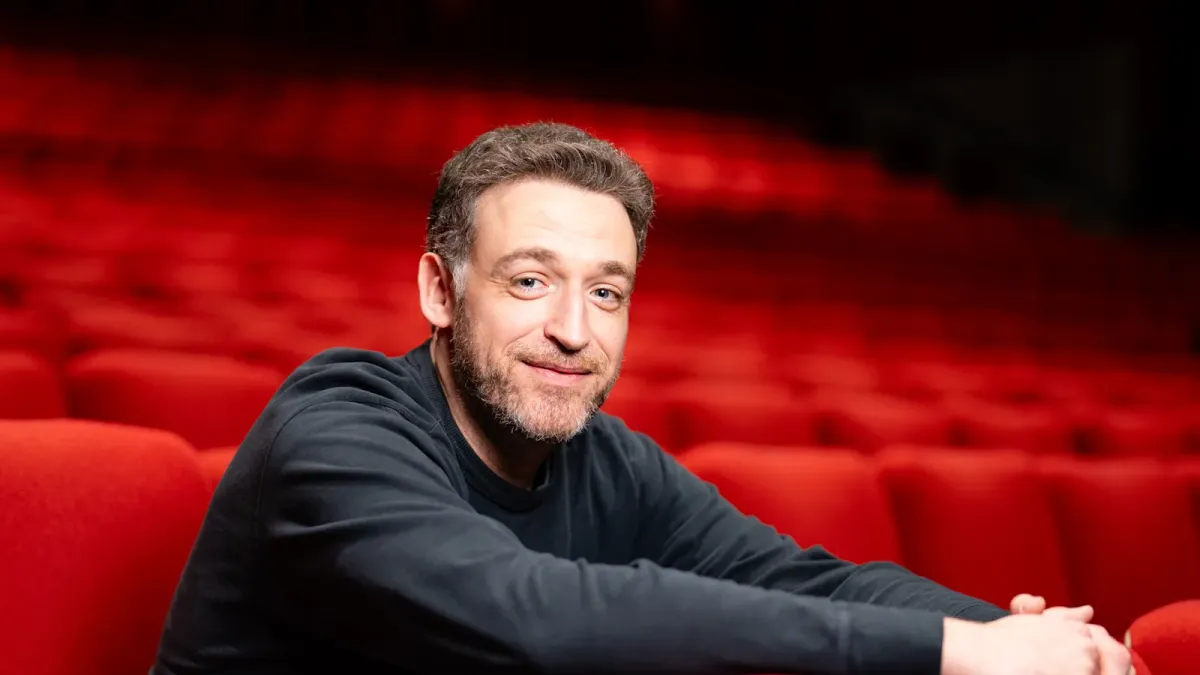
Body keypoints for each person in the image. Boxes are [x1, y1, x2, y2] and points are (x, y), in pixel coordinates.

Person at [152, 122, 1131, 675]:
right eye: (530, 281)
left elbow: (802, 582)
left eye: (607, 293)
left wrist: (1029, 640)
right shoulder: (336, 427)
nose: (573, 329)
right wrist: (956, 653)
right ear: (440, 293)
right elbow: (529, 615)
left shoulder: (609, 462)